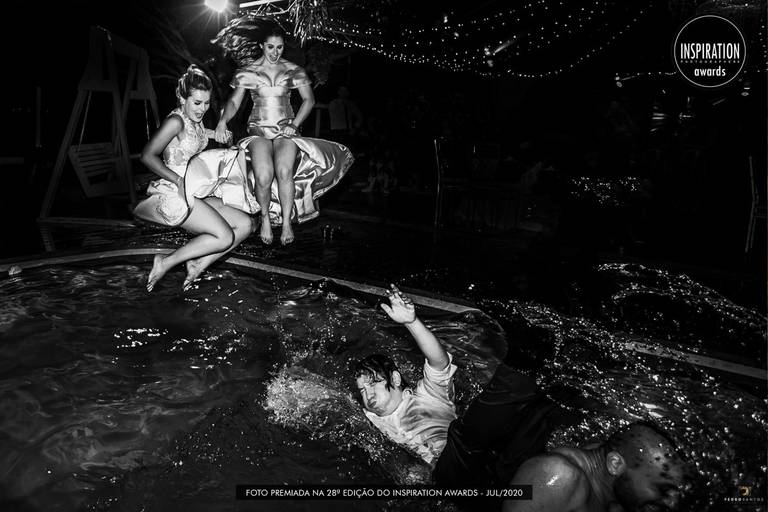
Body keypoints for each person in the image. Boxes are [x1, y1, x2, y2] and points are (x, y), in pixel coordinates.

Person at [355, 287, 689, 512]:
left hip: (459, 462)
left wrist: (412, 321)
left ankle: (532, 349)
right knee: (536, 416)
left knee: (472, 433)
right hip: (477, 479)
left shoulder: (426, 394)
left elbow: (438, 360)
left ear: (396, 380)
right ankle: (550, 355)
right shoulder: (368, 418)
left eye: (372, 385)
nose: (367, 395)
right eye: (361, 391)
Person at [213, 17, 353, 246]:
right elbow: (234, 103)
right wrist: (222, 122)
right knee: (263, 175)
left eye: (279, 47)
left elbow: (309, 100)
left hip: (285, 130)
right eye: (270, 47)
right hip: (258, 130)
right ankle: (266, 219)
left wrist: (294, 124)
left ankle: (287, 222)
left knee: (284, 170)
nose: (275, 52)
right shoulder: (248, 72)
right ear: (261, 46)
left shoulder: (293, 70)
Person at [134, 65, 257, 292]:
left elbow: (195, 137)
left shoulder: (195, 121)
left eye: (207, 103)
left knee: (246, 224)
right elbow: (147, 156)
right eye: (197, 103)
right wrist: (178, 181)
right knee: (224, 237)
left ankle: (198, 263)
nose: (202, 109)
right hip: (176, 192)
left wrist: (217, 134)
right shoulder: (176, 121)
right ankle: (165, 262)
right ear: (183, 98)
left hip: (196, 190)